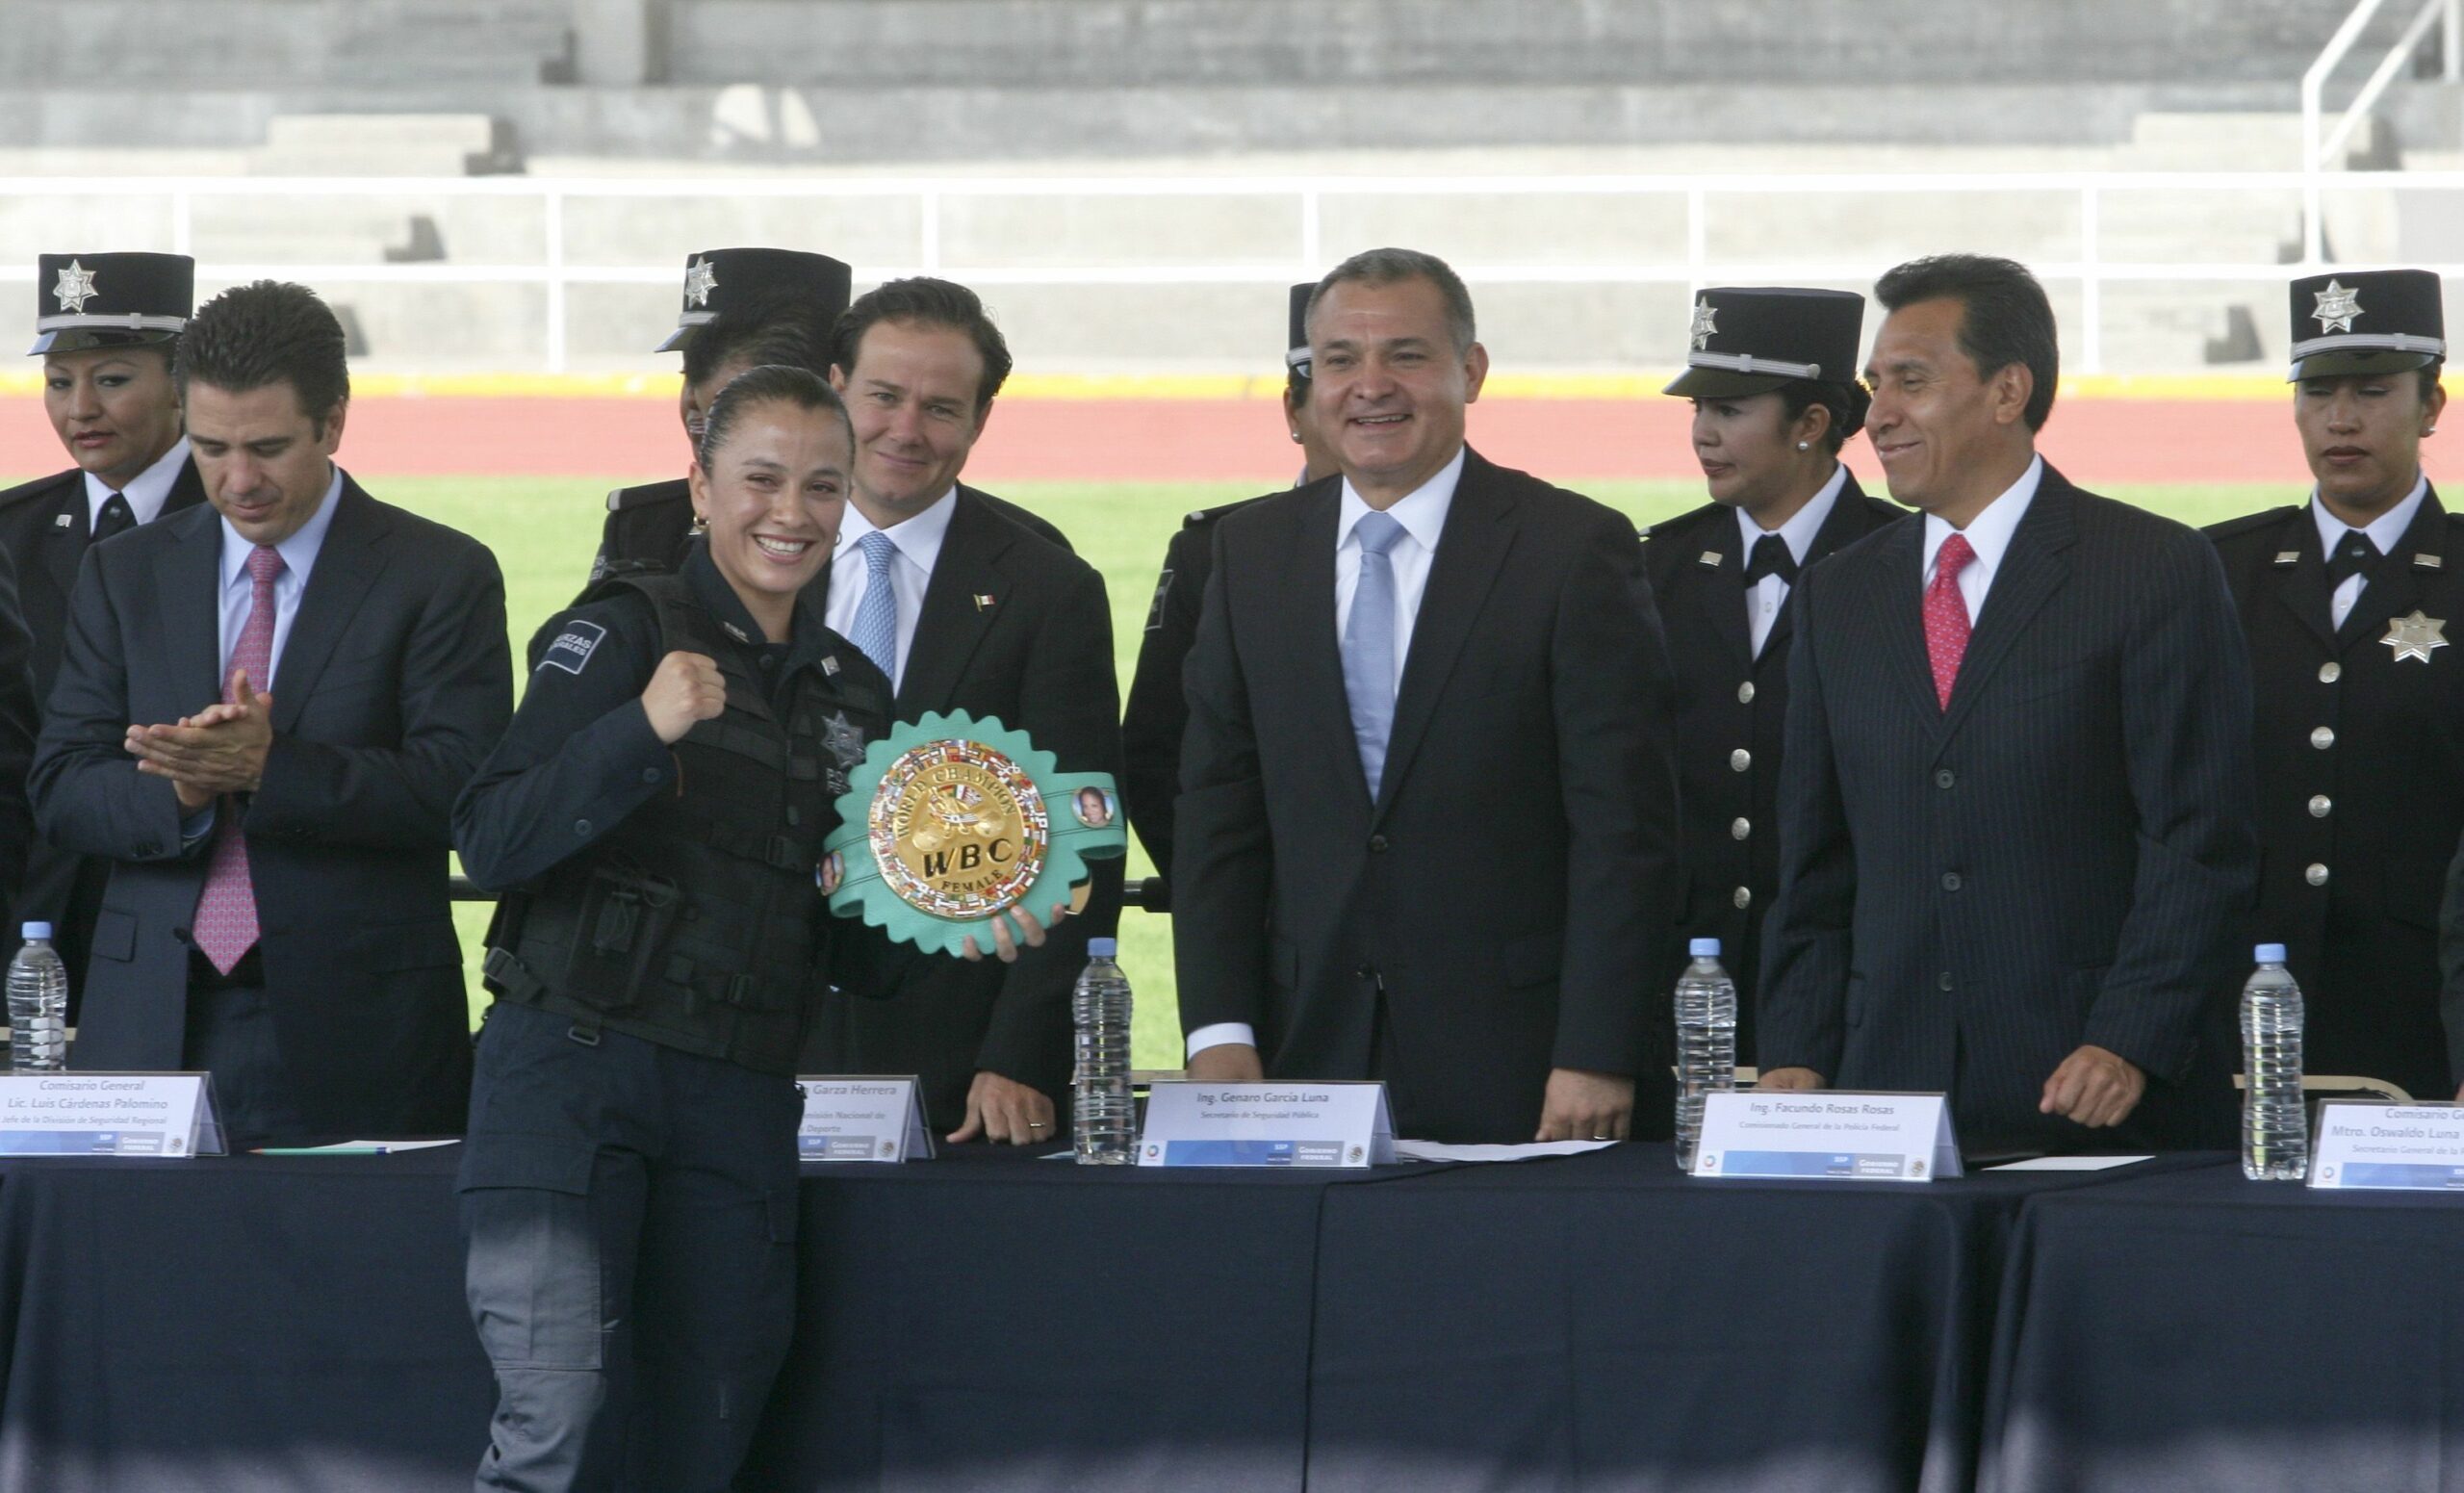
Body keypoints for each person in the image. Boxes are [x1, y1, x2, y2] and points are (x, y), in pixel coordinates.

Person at [457, 366, 1057, 1490]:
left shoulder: (853, 694)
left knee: (713, 1424)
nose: (791, 514)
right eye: (761, 481)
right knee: (560, 1422)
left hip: (737, 1099)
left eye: (822, 487)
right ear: (700, 484)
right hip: (575, 1078)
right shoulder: (620, 634)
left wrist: (954, 914)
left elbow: (848, 954)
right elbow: (489, 840)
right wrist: (640, 728)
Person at [1173, 246, 1683, 1145]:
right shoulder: (1247, 554)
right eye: (1338, 360)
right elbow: (1218, 810)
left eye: (1406, 355)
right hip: (1301, 1053)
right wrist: (1218, 1028)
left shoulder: (1572, 550)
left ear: (1471, 371)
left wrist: (1598, 1048)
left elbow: (1626, 830)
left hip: (1525, 1067)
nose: (1370, 386)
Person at [1757, 254, 2257, 1154]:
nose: (1878, 415)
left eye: (1912, 381)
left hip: (2097, 1106)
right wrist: (1796, 1050)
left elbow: (2200, 841)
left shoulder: (2151, 569)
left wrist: (2128, 1038)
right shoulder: (1838, 595)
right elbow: (1816, 862)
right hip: (1887, 1103)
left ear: (2007, 391)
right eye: (1876, 386)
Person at [30, 279, 512, 1147]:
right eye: (211, 446)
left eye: (269, 447)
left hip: (362, 1035)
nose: (238, 480)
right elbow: (61, 783)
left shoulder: (439, 573)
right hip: (149, 1030)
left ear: (333, 422)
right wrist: (179, 790)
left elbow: (464, 789)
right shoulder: (126, 572)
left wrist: (268, 767)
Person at [803, 277, 1122, 1145]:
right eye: (883, 396)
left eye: (942, 407)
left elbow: (1084, 836)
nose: (907, 430)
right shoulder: (754, 552)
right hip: (755, 1039)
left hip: (960, 1067)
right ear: (836, 385)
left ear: (980, 422)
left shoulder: (1047, 588)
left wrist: (1019, 1050)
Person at [2207, 269, 2464, 1102]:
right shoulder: (2218, 568)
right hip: (2240, 1013)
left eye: (2374, 391)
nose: (2341, 418)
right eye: (2319, 392)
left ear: (2432, 406)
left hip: (2424, 1014)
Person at [1643, 287, 1898, 1064]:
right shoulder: (1654, 567)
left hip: (1854, 993)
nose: (1701, 433)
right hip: (1685, 990)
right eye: (1697, 410)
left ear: (1812, 425)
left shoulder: (1905, 565)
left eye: (1729, 409)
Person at [0, 252, 208, 989]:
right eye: (59, 383)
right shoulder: (13, 531)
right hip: (35, 931)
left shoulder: (239, 526)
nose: (79, 408)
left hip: (186, 922)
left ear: (183, 386)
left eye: (112, 379)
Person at [1121, 283, 1340, 902]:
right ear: (1293, 414)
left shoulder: (1518, 545)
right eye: (1333, 388)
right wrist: (1233, 903)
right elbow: (1155, 754)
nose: (1366, 403)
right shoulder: (1213, 552)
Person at [583, 246, 853, 593]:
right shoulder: (649, 528)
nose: (692, 401)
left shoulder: (874, 541)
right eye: (688, 373)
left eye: (735, 387)